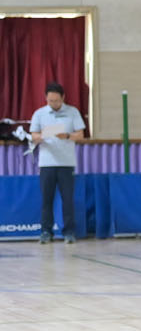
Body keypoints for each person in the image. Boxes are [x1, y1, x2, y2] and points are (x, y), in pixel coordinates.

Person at [30, 81, 85, 244]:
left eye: (56, 101)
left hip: (66, 163)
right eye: (50, 101)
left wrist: (66, 136)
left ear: (63, 98)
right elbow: (33, 135)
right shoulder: (39, 113)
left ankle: (69, 232)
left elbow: (80, 135)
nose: (53, 103)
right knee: (46, 200)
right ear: (46, 98)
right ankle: (46, 232)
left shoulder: (72, 112)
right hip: (47, 163)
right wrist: (41, 136)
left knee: (67, 199)